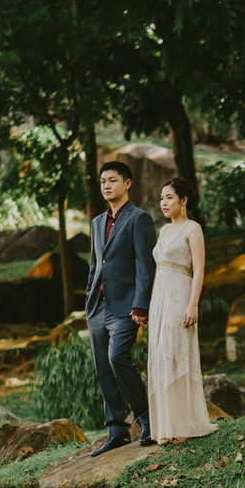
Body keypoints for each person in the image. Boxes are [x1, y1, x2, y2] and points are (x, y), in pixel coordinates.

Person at [85, 161, 157, 456]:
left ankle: (147, 418)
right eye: (103, 181)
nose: (106, 185)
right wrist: (89, 296)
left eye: (112, 180)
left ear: (127, 183)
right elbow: (94, 264)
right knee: (103, 367)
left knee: (118, 358)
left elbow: (145, 264)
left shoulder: (139, 219)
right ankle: (116, 430)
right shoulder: (96, 223)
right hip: (97, 307)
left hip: (126, 306)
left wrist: (142, 304)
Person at [147, 177, 217, 443]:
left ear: (183, 200)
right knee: (162, 356)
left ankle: (184, 425)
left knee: (177, 355)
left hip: (180, 294)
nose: (164, 203)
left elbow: (199, 269)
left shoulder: (193, 228)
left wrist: (192, 304)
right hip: (160, 297)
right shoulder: (163, 231)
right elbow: (158, 267)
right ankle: (167, 426)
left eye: (169, 198)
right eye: (162, 198)